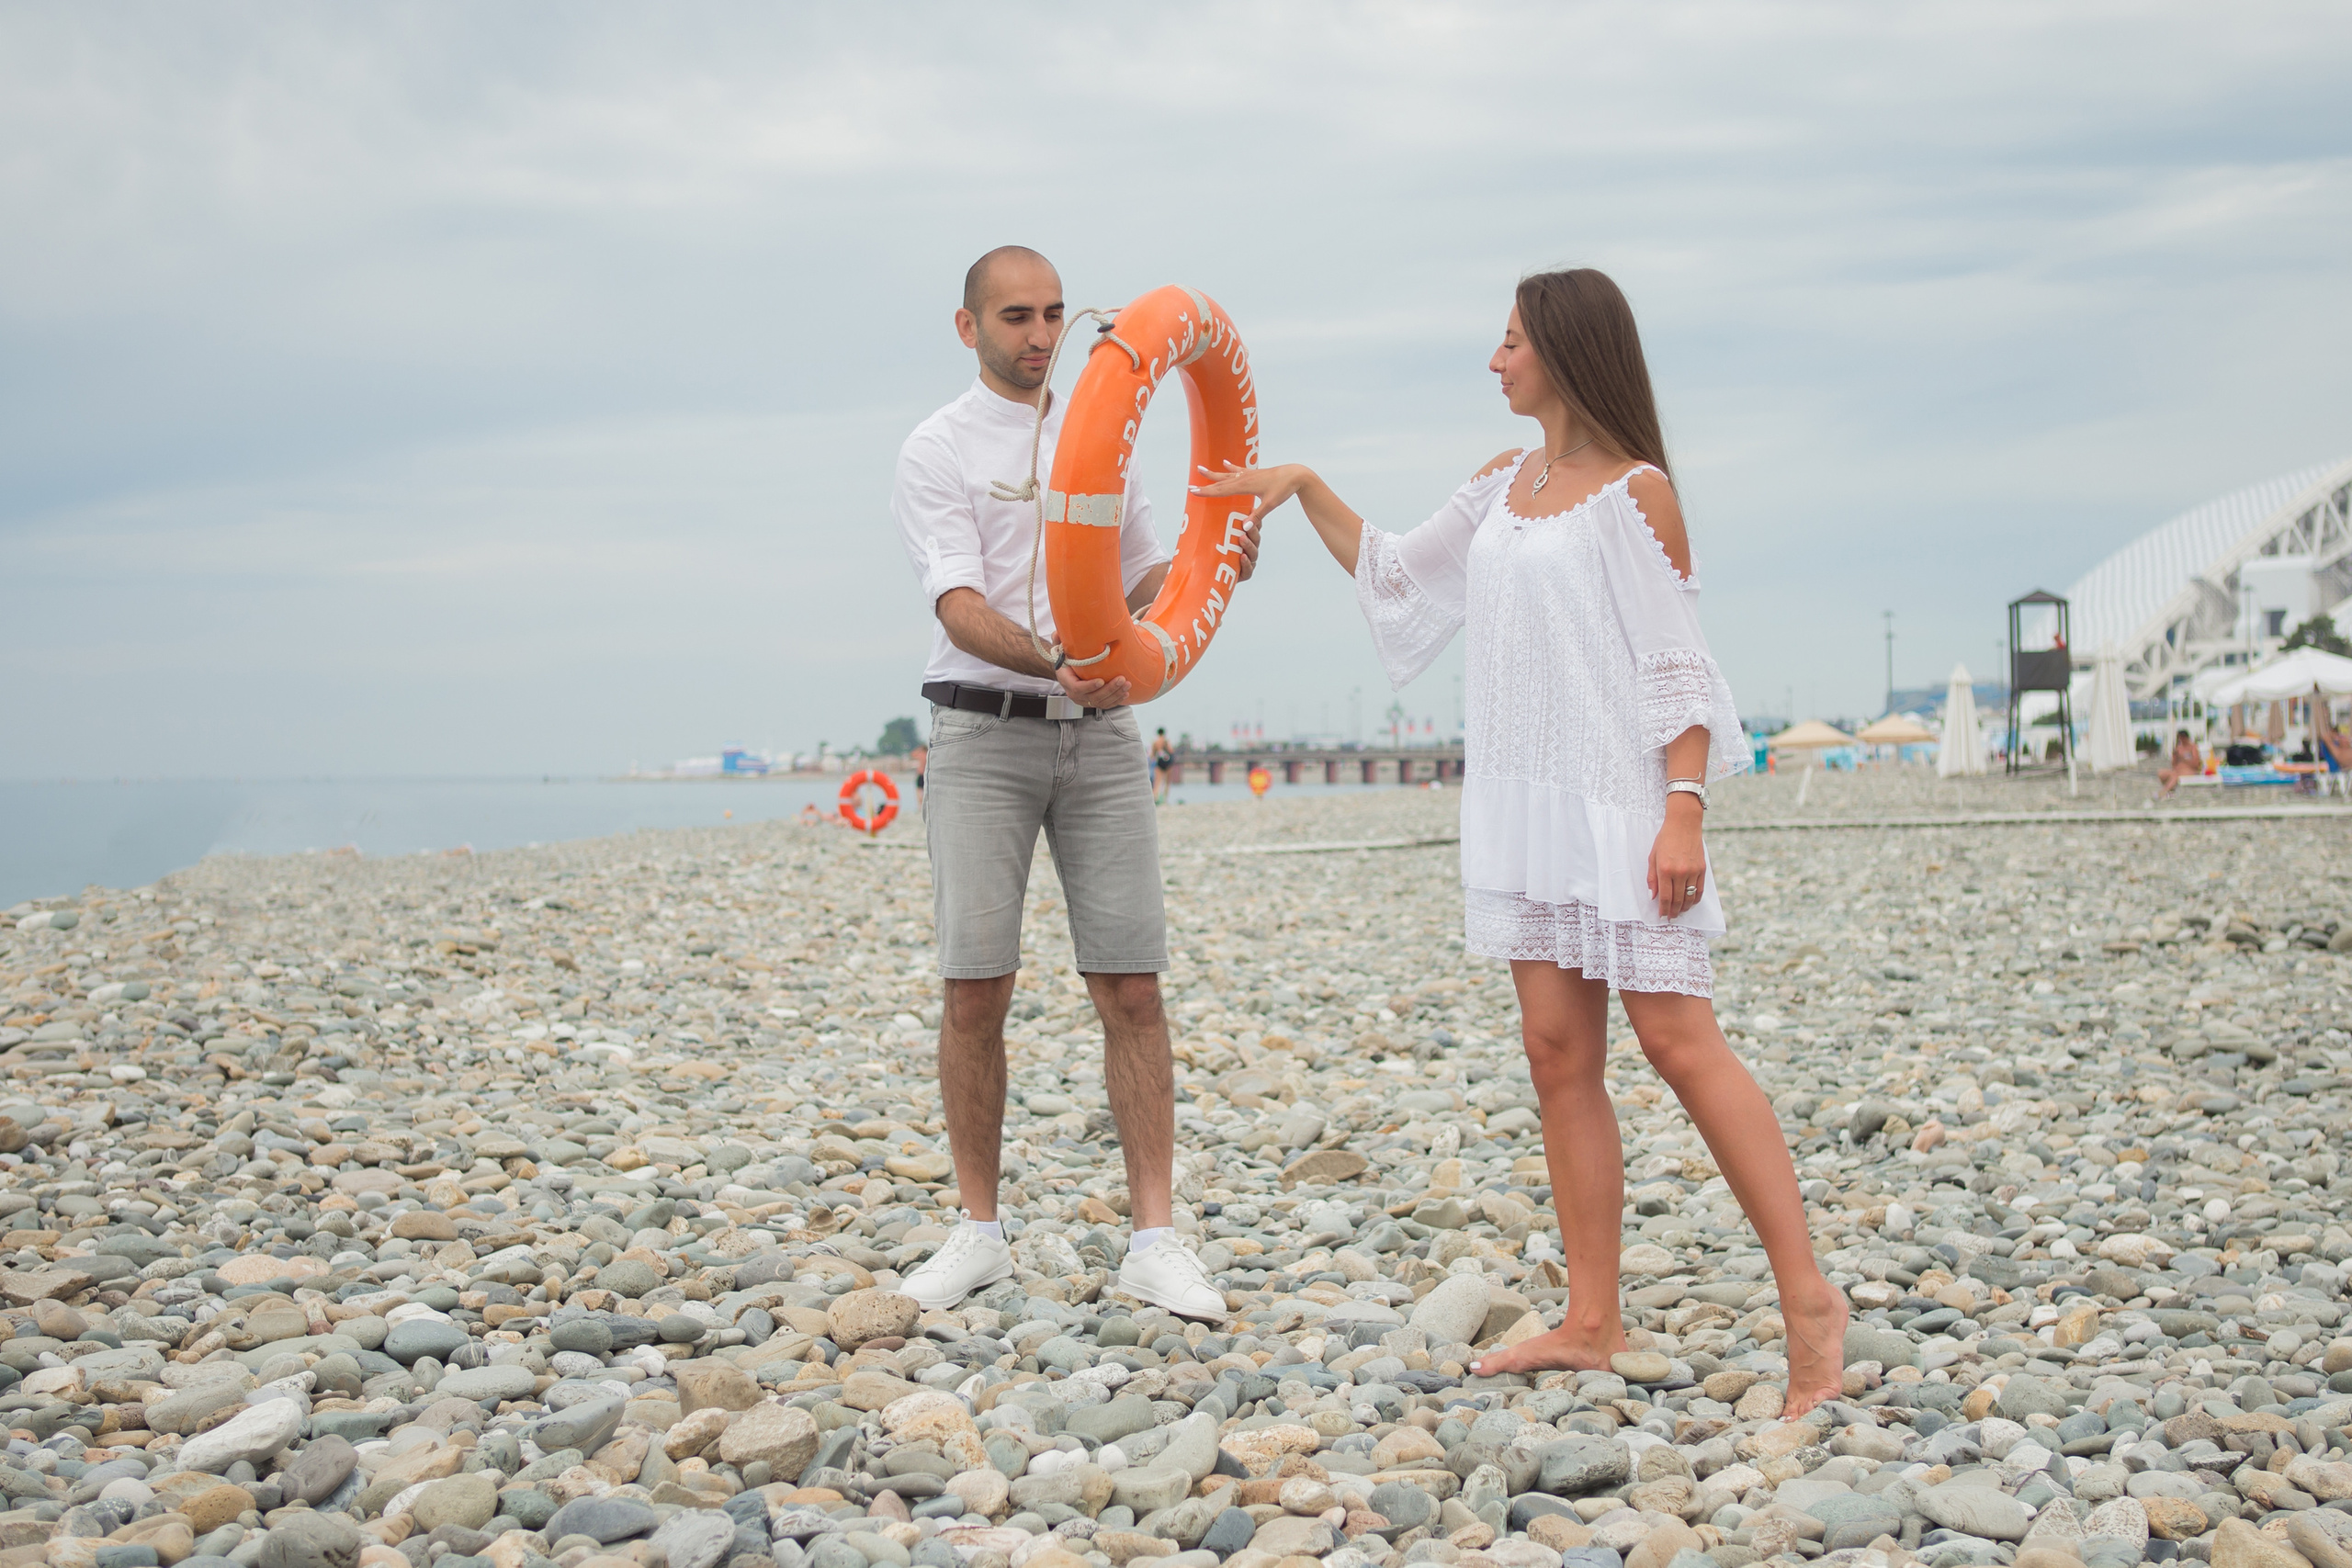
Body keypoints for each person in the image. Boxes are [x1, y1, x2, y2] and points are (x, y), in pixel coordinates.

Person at [1196, 266, 1849, 1416]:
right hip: (1521, 801)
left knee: (1679, 1042)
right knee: (1557, 1055)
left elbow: (1675, 663)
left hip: (1621, 803)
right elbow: (1398, 575)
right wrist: (1301, 484)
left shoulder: (1635, 492)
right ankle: (1590, 1320)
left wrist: (1684, 806)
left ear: (1562, 348)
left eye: (1508, 343)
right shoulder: (1503, 484)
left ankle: (1809, 1301)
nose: (1492, 362)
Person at [889, 244, 1259, 1317]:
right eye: (1014, 316)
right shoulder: (937, 449)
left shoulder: (1101, 432)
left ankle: (1154, 1237)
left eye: (1053, 313)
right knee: (975, 988)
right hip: (981, 733)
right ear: (969, 328)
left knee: (1132, 987)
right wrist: (1057, 659)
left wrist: (1211, 564)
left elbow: (1145, 577)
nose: (1039, 334)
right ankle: (977, 1232)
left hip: (1101, 738)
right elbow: (956, 606)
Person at [2156, 729, 2202, 796]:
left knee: (2175, 776)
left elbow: (2196, 763)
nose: (2181, 740)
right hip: (2178, 770)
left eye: (2182, 738)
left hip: (2190, 770)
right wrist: (2175, 756)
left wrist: (2184, 759)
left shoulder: (2193, 747)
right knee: (2161, 773)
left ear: (2186, 738)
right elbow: (2173, 764)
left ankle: (2164, 792)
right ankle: (2170, 790)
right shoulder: (2178, 748)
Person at [1150, 728, 1175, 804]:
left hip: (1159, 763)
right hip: (1167, 764)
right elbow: (1171, 751)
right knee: (1167, 782)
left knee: (1157, 781)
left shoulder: (1155, 742)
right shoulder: (1166, 741)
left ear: (1158, 733)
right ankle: (1165, 799)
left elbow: (1152, 755)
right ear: (1164, 733)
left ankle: (1155, 798)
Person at [910, 743, 929, 813]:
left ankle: (920, 807)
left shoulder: (921, 755)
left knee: (919, 792)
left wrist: (918, 750)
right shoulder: (927, 755)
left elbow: (912, 754)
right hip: (925, 775)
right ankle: (924, 807)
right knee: (925, 792)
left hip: (921, 775)